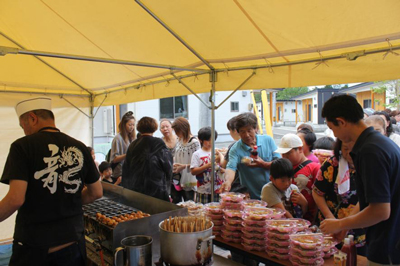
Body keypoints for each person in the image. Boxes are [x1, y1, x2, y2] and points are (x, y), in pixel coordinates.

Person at [0, 97, 103, 266]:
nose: (24, 131)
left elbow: (15, 199)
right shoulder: (79, 147)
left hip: (35, 249)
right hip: (73, 245)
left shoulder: (22, 146)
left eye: (23, 125)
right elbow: (96, 192)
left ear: (32, 118)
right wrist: (70, 201)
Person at [320, 94, 400, 265]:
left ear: (341, 122)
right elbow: (372, 198)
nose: (334, 134)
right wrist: (346, 225)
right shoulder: (379, 143)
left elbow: (380, 210)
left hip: (388, 244)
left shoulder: (370, 150)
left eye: (332, 127)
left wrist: (340, 224)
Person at [312, 139, 366, 254]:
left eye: (354, 150)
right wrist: (330, 218)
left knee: (353, 259)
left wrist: (344, 226)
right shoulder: (332, 164)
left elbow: (364, 199)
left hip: (356, 226)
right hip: (329, 224)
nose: (350, 154)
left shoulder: (369, 167)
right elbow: (317, 192)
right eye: (345, 149)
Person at [221, 112, 280, 199]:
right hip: (251, 198)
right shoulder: (235, 149)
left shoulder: (268, 140)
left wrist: (263, 164)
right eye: (242, 131)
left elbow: (279, 164)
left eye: (249, 130)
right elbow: (231, 168)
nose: (247, 135)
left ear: (256, 129)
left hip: (274, 194)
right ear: (238, 132)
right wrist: (228, 182)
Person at [122, 117, 173, 201]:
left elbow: (126, 168)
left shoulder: (133, 145)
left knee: (140, 213)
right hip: (156, 188)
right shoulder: (158, 143)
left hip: (136, 188)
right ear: (154, 128)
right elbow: (168, 166)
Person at [275, 133, 320, 223]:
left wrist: (304, 203)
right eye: (282, 153)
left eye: (288, 153)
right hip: (285, 219)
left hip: (308, 219)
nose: (284, 157)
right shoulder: (281, 167)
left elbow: (319, 197)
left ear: (299, 149)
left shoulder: (315, 168)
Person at [190, 127, 224, 204]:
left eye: (213, 140)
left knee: (217, 210)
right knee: (203, 210)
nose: (211, 142)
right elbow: (193, 171)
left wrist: (221, 156)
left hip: (218, 189)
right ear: (200, 140)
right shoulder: (197, 154)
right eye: (208, 140)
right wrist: (206, 166)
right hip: (203, 190)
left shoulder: (217, 152)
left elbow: (223, 165)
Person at [171, 117, 200, 203]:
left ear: (184, 129)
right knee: (178, 202)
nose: (176, 134)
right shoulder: (179, 140)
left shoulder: (194, 142)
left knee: (189, 202)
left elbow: (198, 162)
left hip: (190, 179)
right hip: (178, 177)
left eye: (177, 131)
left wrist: (183, 166)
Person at [219, 116, 248, 194]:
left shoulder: (234, 146)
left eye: (230, 130)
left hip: (237, 186)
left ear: (235, 131)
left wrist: (220, 155)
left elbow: (224, 164)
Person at [110, 111, 136, 179]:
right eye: (130, 125)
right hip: (120, 174)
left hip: (131, 172)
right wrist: (128, 155)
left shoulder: (133, 138)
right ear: (124, 125)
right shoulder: (117, 138)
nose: (132, 127)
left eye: (133, 125)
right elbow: (114, 159)